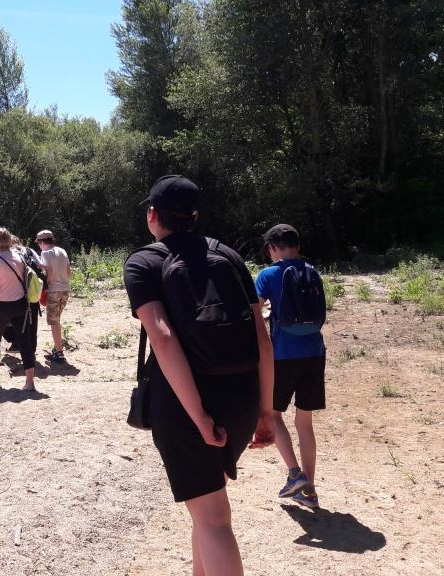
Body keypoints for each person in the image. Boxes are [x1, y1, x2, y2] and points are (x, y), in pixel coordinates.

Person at [123, 175, 275, 576]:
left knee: (213, 520)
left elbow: (163, 336)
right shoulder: (229, 255)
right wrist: (266, 410)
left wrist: (199, 417)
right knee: (206, 508)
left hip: (185, 406)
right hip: (242, 396)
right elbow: (262, 339)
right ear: (195, 215)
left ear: (153, 215)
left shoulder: (144, 261)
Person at [254, 224, 327, 510]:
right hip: (314, 353)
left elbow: (254, 309)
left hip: (283, 355)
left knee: (274, 415)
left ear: (273, 247)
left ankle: (295, 474)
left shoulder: (268, 274)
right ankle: (309, 490)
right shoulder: (313, 271)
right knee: (304, 423)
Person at [0, 227, 36, 390]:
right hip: (20, 304)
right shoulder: (20, 256)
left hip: (0, 306)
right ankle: (29, 382)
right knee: (25, 343)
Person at [3, 235, 45, 359]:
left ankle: (15, 343)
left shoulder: (8, 253)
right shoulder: (29, 251)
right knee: (32, 322)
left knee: (10, 320)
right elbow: (40, 265)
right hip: (31, 291)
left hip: (14, 292)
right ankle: (31, 351)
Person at [36, 230, 72, 363]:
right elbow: (69, 273)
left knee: (54, 322)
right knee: (57, 320)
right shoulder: (62, 251)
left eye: (39, 243)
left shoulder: (45, 253)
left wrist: (46, 286)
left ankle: (59, 352)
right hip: (65, 289)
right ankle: (57, 348)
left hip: (54, 291)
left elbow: (48, 272)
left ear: (42, 242)